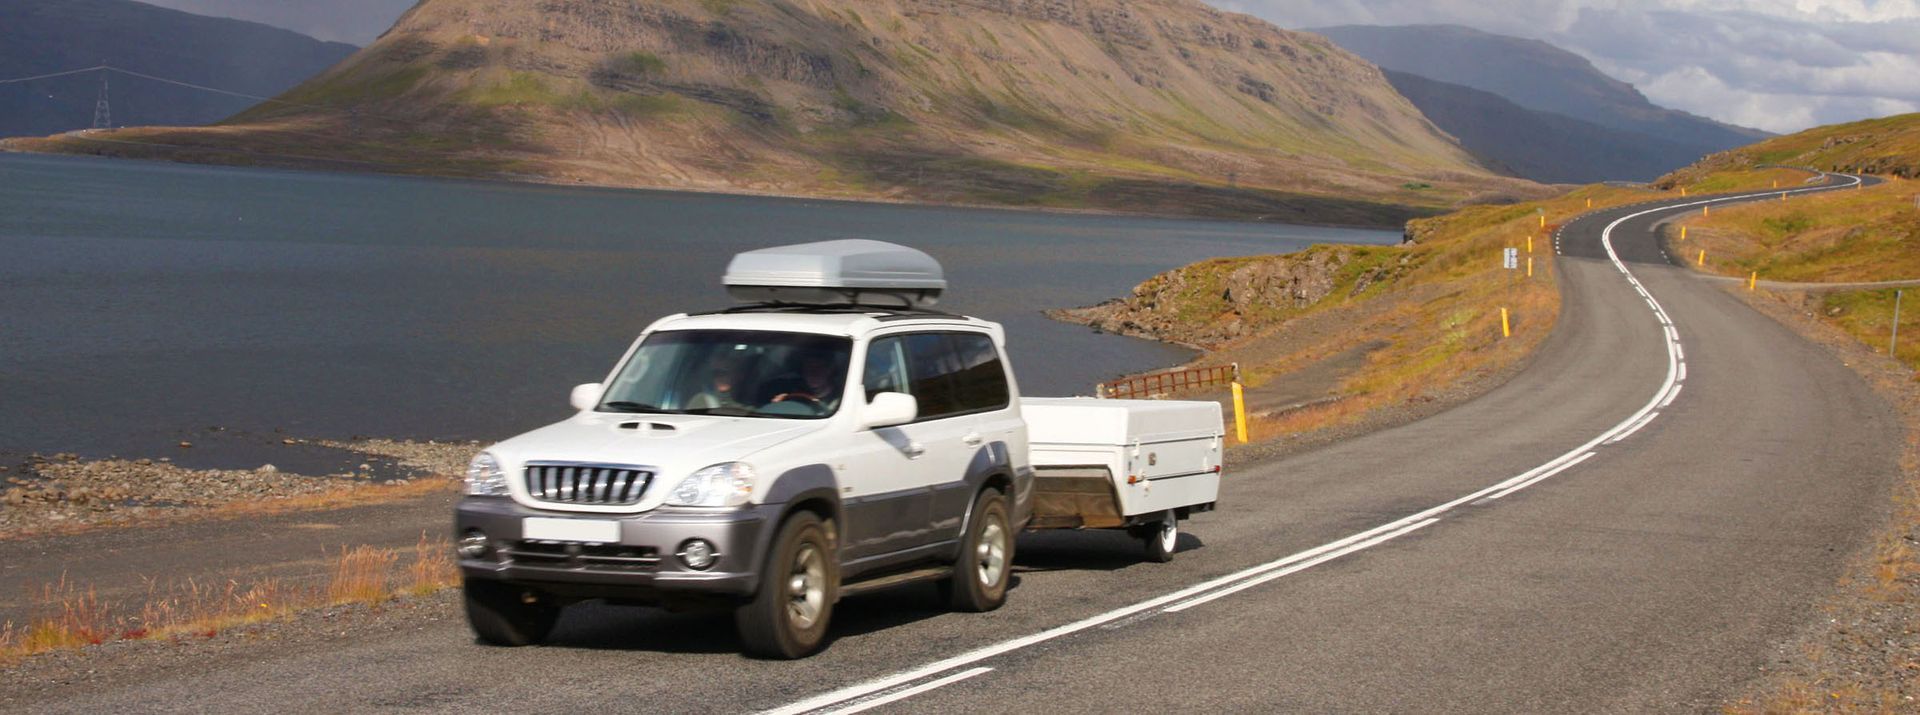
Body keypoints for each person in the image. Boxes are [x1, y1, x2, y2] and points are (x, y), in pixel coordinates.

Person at [770, 350, 843, 410]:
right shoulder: (792, 393)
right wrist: (778, 404)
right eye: (809, 367)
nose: (814, 372)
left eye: (820, 367)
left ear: (830, 370)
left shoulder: (842, 397)